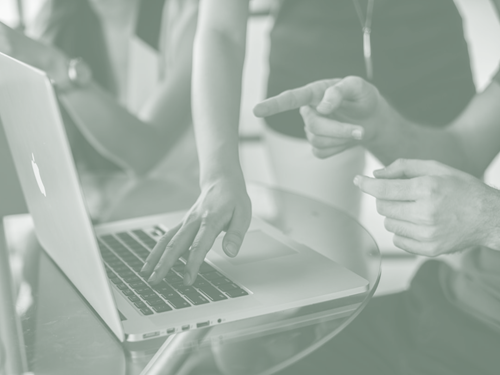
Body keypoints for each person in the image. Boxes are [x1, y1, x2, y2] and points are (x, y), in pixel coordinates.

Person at [142, 0, 477, 286]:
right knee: (328, 277)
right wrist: (218, 172)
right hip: (306, 85)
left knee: (461, 273)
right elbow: (221, 30)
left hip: (435, 71)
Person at [249, 45, 500, 375]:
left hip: (485, 342)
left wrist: (487, 218)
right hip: (448, 301)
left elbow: (483, 208)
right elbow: (464, 154)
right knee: (233, 362)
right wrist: (380, 126)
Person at [0, 0, 199, 207]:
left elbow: (145, 152)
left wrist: (51, 63)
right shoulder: (55, 20)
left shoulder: (188, 17)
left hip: (178, 210)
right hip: (98, 208)